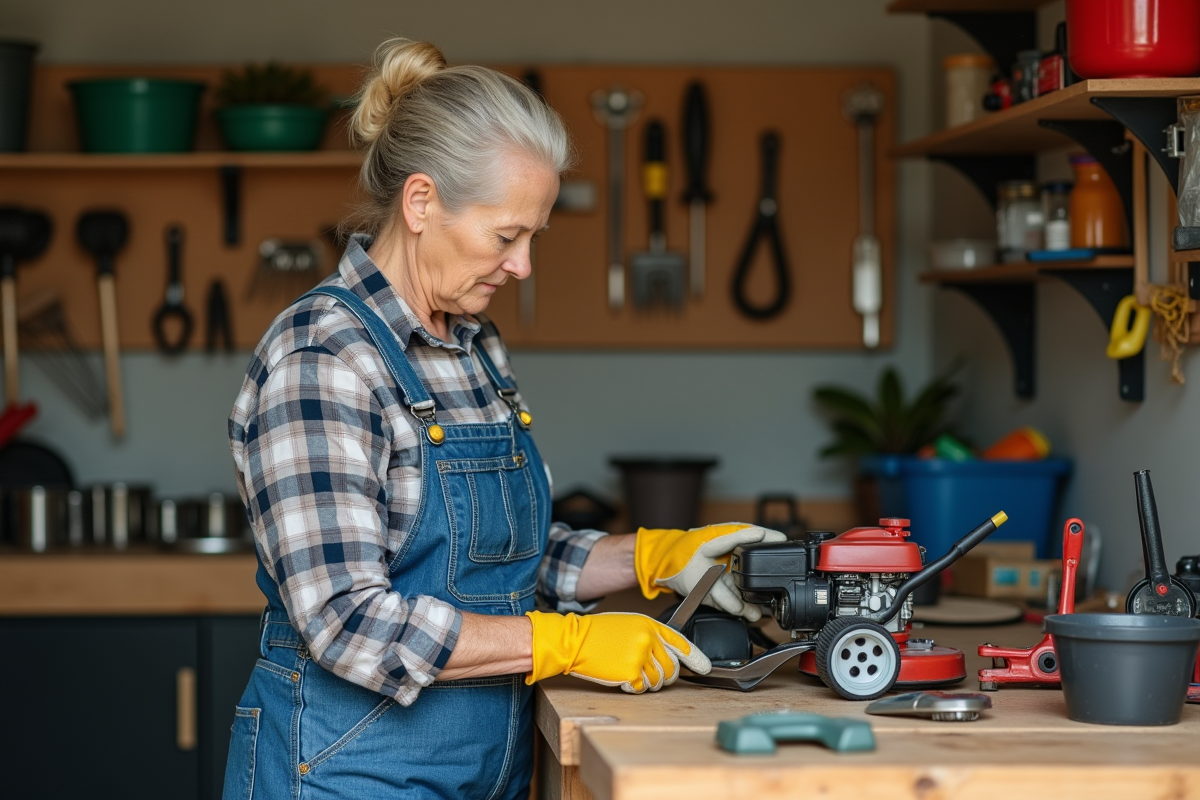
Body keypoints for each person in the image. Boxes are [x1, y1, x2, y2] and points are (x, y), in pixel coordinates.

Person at [222, 37, 784, 800]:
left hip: (487, 767)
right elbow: (346, 621)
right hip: (346, 772)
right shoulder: (324, 357)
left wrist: (652, 557)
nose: (521, 266)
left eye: (532, 237)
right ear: (421, 203)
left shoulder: (471, 344)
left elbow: (493, 561)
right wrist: (568, 640)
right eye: (505, 236)